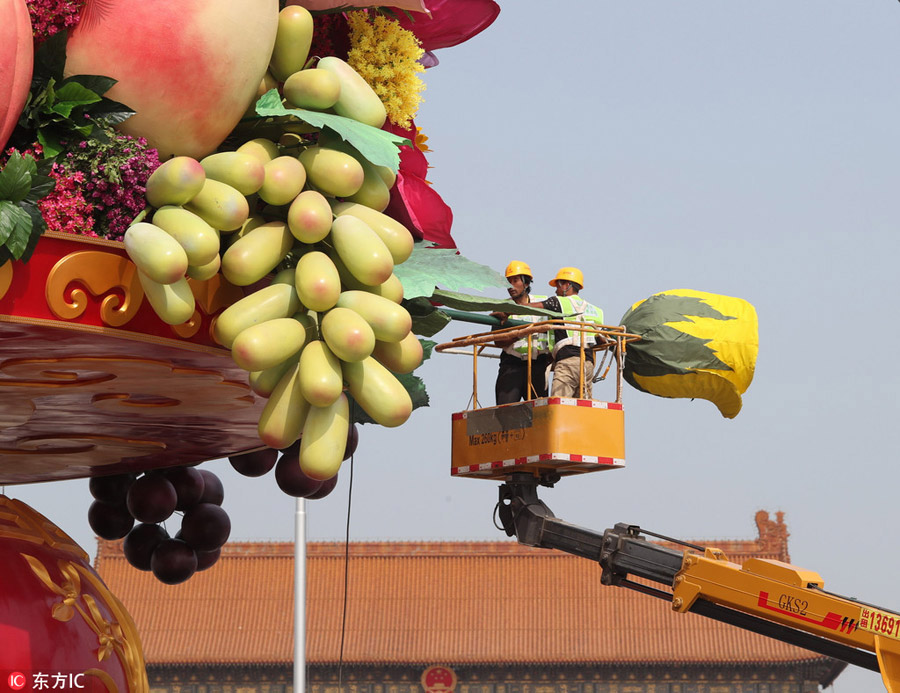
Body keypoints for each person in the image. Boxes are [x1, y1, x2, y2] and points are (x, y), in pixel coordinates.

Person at [530, 267, 604, 399]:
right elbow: (600, 339)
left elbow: (531, 308)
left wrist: (507, 310)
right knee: (582, 406)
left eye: (558, 285)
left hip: (568, 363)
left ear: (567, 285)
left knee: (560, 404)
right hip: (588, 364)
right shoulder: (595, 310)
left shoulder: (558, 302)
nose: (556, 290)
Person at [491, 261, 554, 405]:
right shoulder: (502, 308)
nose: (511, 286)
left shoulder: (542, 304)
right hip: (512, 365)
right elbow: (498, 341)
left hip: (538, 366)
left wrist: (549, 356)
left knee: (539, 412)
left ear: (526, 283)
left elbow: (554, 332)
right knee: (505, 411)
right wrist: (521, 334)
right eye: (508, 281)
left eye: (515, 281)